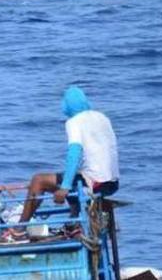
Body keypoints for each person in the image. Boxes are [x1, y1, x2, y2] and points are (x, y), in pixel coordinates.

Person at [11, 86, 119, 238]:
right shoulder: (103, 118)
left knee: (38, 181)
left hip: (94, 183)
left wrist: (65, 187)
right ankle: (74, 223)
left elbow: (74, 154)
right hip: (112, 183)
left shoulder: (74, 122)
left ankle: (19, 230)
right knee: (75, 177)